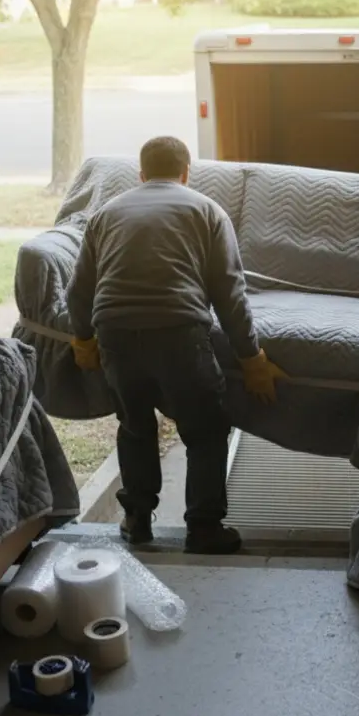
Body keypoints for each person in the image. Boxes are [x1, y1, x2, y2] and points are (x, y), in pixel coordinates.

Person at [64, 136, 288, 554]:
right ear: (186, 173)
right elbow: (230, 293)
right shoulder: (207, 211)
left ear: (142, 174)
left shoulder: (106, 215)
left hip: (114, 333)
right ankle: (203, 528)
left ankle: (136, 520)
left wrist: (83, 339)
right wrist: (251, 358)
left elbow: (78, 291)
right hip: (179, 332)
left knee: (135, 427)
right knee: (205, 430)